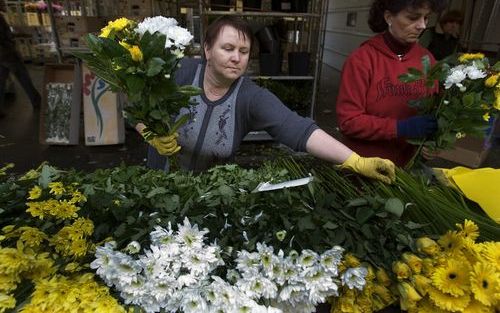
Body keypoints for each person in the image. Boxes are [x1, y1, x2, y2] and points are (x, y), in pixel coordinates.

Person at [136, 15, 396, 184]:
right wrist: (149, 133)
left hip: (210, 197)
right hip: (156, 189)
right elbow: (135, 107)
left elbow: (298, 129)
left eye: (244, 51)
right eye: (227, 49)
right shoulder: (179, 72)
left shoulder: (249, 97)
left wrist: (355, 160)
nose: (236, 58)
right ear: (207, 49)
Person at [335, 0, 446, 167]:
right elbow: (349, 121)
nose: (422, 25)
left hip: (408, 169)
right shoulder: (361, 60)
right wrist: (398, 128)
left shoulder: (427, 60)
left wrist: (432, 143)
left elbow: (434, 111)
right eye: (413, 18)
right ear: (389, 17)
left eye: (426, 18)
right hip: (365, 167)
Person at [0, 6, 41, 118]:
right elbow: (5, 36)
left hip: (2, 54)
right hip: (8, 53)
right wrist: (16, 37)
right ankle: (36, 100)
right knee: (23, 76)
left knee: (1, 81)